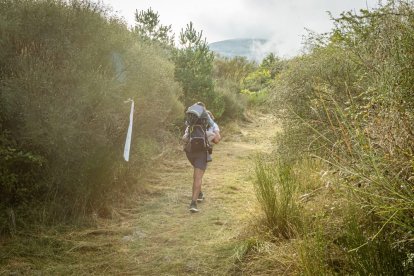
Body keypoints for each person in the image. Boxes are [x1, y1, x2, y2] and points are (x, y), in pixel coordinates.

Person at [182, 102, 220, 213]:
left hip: (189, 152)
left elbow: (185, 138)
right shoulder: (209, 122)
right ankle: (193, 203)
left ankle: (199, 193)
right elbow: (217, 140)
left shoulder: (190, 122)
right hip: (201, 153)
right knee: (197, 177)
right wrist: (212, 136)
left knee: (197, 174)